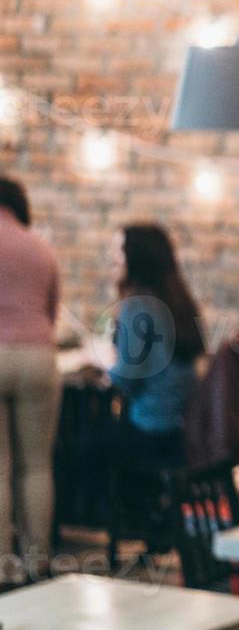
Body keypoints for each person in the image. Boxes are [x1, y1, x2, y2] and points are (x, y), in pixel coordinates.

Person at [105, 223, 207, 469]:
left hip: (151, 427)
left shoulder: (137, 305)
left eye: (119, 250)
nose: (113, 257)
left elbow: (127, 380)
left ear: (137, 256)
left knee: (81, 450)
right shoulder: (179, 300)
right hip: (183, 426)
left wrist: (101, 363)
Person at [0, 174, 61, 586]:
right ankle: (38, 561)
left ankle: (3, 565)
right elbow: (52, 309)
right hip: (39, 357)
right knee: (36, 465)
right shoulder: (41, 248)